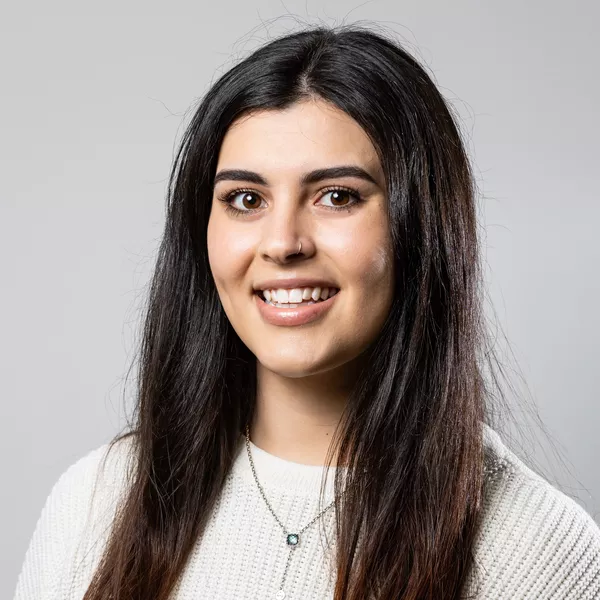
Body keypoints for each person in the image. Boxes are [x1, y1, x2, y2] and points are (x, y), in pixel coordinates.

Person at [13, 24, 600, 600]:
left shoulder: (539, 552)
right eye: (246, 199)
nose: (283, 243)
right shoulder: (95, 502)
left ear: (421, 226)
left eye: (337, 196)